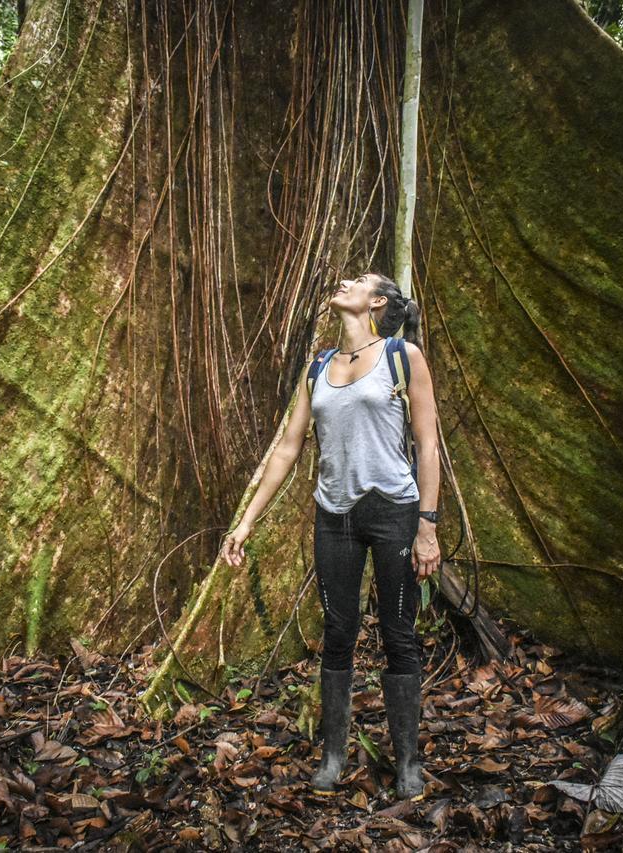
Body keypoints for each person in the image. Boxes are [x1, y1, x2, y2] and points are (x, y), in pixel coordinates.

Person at [219, 271, 443, 802]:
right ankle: (334, 755)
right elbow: (289, 447)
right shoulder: (318, 364)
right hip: (333, 514)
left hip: (393, 510)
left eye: (359, 280)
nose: (345, 282)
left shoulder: (401, 355)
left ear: (378, 301)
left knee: (398, 634)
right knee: (338, 632)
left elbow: (428, 444)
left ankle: (409, 762)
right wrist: (246, 521)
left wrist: (428, 526)